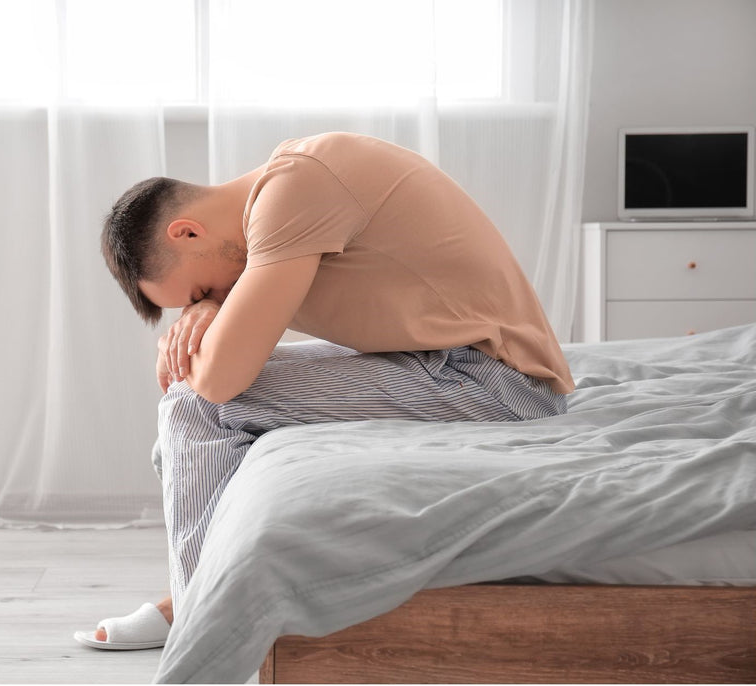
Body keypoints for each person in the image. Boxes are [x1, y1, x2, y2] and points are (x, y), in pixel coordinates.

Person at [74, 131, 575, 651]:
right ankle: (200, 590)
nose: (201, 305)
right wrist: (208, 307)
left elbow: (222, 379)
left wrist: (191, 334)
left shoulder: (298, 189)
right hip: (441, 363)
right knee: (190, 410)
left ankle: (201, 617)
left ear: (186, 232)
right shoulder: (289, 185)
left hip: (498, 384)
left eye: (196, 292)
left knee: (196, 403)